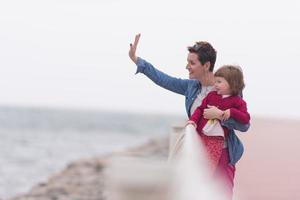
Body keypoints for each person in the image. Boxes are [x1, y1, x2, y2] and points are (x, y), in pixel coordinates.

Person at [128, 34, 250, 199]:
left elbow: (244, 125)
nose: (187, 66)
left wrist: (221, 115)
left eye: (192, 63)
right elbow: (163, 80)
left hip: (223, 153)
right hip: (199, 154)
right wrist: (137, 60)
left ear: (206, 65)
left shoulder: (226, 86)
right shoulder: (191, 87)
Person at [187, 65, 250, 179]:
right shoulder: (211, 95)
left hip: (217, 141)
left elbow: (245, 119)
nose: (215, 84)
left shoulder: (238, 102)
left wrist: (231, 112)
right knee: (198, 164)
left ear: (232, 84)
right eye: (215, 81)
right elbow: (200, 109)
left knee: (209, 171)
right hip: (201, 136)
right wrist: (192, 121)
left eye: (219, 82)